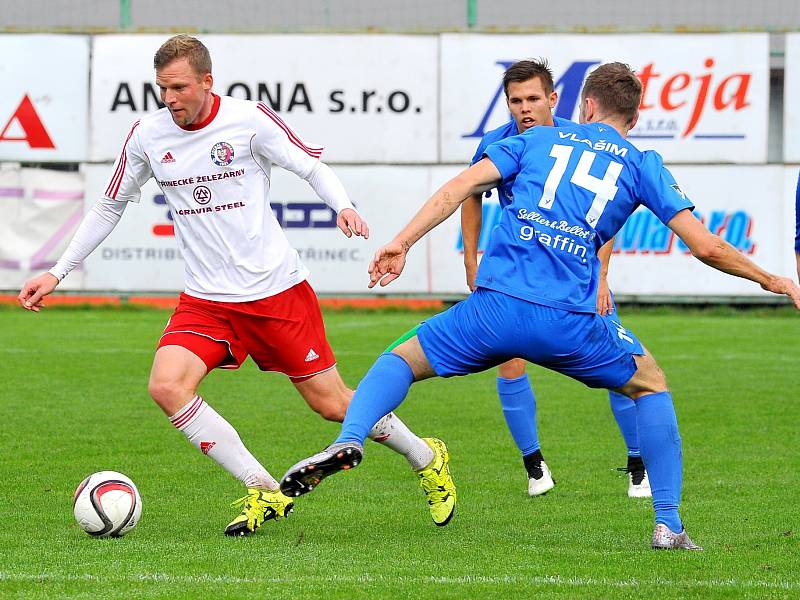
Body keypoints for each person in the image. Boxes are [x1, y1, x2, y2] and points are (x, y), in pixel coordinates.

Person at [279, 62, 800, 550]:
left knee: (400, 359)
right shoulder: (643, 164)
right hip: (569, 323)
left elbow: (461, 188)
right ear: (634, 117)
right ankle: (667, 523)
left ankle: (351, 440)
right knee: (650, 383)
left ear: (585, 105)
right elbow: (707, 246)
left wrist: (401, 243)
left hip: (494, 311)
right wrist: (772, 279)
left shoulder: (532, 140)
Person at [17, 34, 455, 535]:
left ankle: (426, 457)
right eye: (162, 89)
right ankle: (263, 488)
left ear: (207, 81)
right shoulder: (147, 135)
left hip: (275, 293)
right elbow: (110, 204)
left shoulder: (247, 120)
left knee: (331, 404)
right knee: (166, 385)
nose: (170, 98)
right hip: (206, 300)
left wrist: (343, 207)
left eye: (179, 87)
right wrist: (59, 271)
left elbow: (309, 165)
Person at [461, 59, 649, 497]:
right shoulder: (496, 143)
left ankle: (638, 463)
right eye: (515, 101)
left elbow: (604, 213)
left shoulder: (578, 139)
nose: (524, 108)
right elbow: (470, 193)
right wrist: (471, 260)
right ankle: (534, 465)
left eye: (532, 98)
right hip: (518, 275)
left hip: (577, 272)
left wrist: (602, 276)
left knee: (620, 358)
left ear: (553, 99)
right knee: (508, 358)